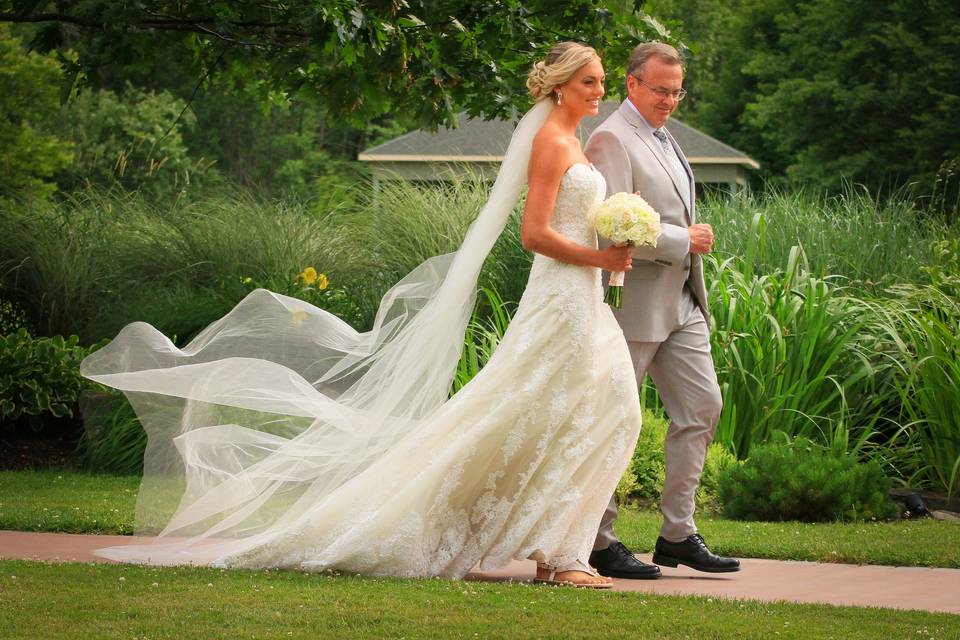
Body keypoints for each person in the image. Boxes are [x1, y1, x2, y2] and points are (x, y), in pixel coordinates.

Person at [81, 42, 641, 588]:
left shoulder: (574, 138)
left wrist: (614, 243)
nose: (599, 90)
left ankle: (559, 548)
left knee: (605, 412)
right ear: (561, 85)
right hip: (560, 299)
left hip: (584, 294)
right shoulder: (550, 141)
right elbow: (534, 234)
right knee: (568, 411)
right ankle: (561, 555)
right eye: (589, 81)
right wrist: (602, 254)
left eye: (600, 81)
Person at [584, 42, 740, 579]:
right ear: (632, 84)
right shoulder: (611, 137)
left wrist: (687, 245)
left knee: (702, 408)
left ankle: (677, 533)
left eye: (676, 92)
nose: (670, 100)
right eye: (660, 90)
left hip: (684, 300)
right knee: (616, 422)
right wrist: (682, 238)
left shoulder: (665, 136)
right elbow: (608, 225)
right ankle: (598, 540)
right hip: (635, 301)